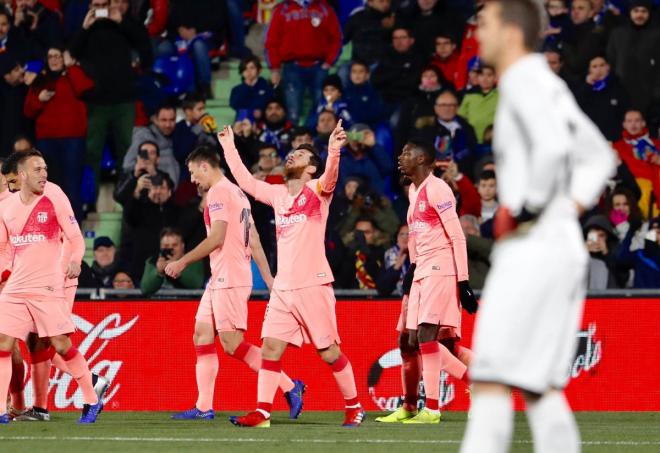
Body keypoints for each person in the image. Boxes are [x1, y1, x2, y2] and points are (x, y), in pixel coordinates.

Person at [460, 1, 615, 451]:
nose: (477, 33)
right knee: (536, 385)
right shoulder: (547, 83)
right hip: (556, 242)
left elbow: (549, 149)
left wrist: (525, 209)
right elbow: (598, 155)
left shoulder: (525, 80)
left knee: (489, 375)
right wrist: (566, 209)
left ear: (510, 31)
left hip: (532, 246)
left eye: (484, 23)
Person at [220, 120, 365, 428]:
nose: (291, 156)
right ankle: (262, 412)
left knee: (328, 352)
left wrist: (333, 151)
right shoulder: (277, 195)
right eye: (292, 153)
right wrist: (228, 147)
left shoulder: (316, 191)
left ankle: (354, 406)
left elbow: (330, 179)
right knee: (271, 348)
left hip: (313, 284)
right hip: (283, 288)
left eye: (299, 156)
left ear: (311, 168)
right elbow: (245, 181)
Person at [164, 144, 305, 421]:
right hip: (221, 277)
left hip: (229, 277)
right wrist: (268, 278)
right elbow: (253, 238)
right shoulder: (237, 193)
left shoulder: (218, 193)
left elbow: (217, 238)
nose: (192, 180)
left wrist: (182, 261)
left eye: (194, 173)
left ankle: (290, 386)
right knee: (201, 334)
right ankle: (204, 407)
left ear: (205, 167)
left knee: (232, 344)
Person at [0, 150, 105, 424]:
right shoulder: (6, 207)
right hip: (16, 287)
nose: (44, 173)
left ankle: (92, 398)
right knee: (3, 342)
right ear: (21, 175)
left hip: (48, 285)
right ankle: (2, 409)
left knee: (59, 344)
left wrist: (75, 260)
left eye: (45, 168)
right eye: (37, 169)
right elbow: (3, 247)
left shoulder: (54, 195)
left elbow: (75, 237)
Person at [389, 139, 477, 424]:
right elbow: (416, 236)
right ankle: (472, 384)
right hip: (422, 270)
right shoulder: (415, 191)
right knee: (412, 339)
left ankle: (433, 409)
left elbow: (457, 235)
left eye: (406, 153)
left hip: (441, 267)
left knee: (427, 336)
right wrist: (412, 270)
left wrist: (463, 282)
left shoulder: (438, 189)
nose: (401, 157)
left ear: (422, 159)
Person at [69, 0, 152, 187]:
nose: (100, 9)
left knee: (128, 151)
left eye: (103, 4)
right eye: (96, 5)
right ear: (90, 6)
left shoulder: (125, 23)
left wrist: (121, 21)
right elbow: (71, 53)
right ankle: (88, 202)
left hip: (124, 100)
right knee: (91, 153)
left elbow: (144, 46)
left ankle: (129, 198)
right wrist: (84, 28)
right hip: (95, 102)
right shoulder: (86, 28)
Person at [23, 47, 94, 219]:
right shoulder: (40, 81)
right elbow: (28, 111)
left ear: (64, 58)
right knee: (48, 186)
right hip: (47, 141)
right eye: (50, 56)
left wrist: (71, 67)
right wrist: (40, 100)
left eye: (58, 56)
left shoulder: (73, 75)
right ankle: (51, 229)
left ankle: (73, 229)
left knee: (72, 186)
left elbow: (86, 88)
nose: (54, 59)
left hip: (73, 140)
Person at [264, 0, 342, 124]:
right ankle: (293, 139)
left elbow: (337, 38)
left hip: (319, 66)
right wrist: (275, 68)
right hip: (291, 67)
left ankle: (317, 140)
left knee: (322, 110)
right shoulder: (282, 10)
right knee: (292, 111)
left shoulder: (325, 9)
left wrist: (329, 62)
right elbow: (272, 41)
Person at [606, 0, 660, 118]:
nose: (639, 15)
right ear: (630, 13)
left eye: (643, 11)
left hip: (650, 96)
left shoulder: (657, 34)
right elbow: (611, 61)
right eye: (636, 11)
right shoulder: (618, 33)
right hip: (621, 92)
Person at [613, 110, 659, 218]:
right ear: (624, 125)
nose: (633, 124)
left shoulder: (656, 144)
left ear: (643, 123)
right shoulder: (616, 147)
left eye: (637, 121)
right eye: (629, 121)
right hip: (631, 189)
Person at [122, 103, 181, 187]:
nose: (168, 125)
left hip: (169, 190)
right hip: (148, 190)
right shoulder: (143, 136)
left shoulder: (176, 134)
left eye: (172, 120)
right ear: (155, 120)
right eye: (163, 120)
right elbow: (127, 165)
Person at [574, 55, 629, 141]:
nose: (599, 69)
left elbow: (625, 112)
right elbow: (576, 107)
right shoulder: (582, 86)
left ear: (608, 67)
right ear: (589, 70)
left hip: (614, 139)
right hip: (591, 138)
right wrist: (587, 86)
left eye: (602, 65)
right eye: (594, 66)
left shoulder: (618, 86)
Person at [141, 228, 205, 296]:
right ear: (160, 246)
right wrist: (158, 272)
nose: (170, 249)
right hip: (158, 304)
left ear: (182, 246)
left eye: (174, 245)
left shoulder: (193, 259)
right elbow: (145, 289)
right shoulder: (152, 261)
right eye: (166, 246)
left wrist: (178, 268)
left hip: (184, 304)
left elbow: (197, 284)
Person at [343, 0, 395, 67]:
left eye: (388, 1)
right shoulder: (357, 17)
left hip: (383, 63)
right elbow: (343, 38)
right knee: (343, 71)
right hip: (358, 63)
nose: (386, 4)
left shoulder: (393, 19)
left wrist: (392, 27)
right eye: (381, 1)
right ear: (370, 2)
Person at [458, 64, 498, 144]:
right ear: (478, 78)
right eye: (481, 75)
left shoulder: (502, 95)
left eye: (489, 75)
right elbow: (460, 116)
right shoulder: (469, 96)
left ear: (495, 78)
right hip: (472, 142)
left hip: (495, 140)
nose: (485, 78)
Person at [583, 215, 623, 289]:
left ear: (607, 237)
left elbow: (622, 278)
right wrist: (583, 253)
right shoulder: (578, 252)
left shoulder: (615, 251)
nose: (597, 239)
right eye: (593, 236)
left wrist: (606, 253)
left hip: (608, 297)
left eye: (601, 235)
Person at [229, 55, 274, 122]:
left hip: (263, 121)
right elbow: (234, 104)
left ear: (259, 70)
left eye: (252, 68)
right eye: (245, 69)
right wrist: (246, 86)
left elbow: (270, 103)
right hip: (243, 121)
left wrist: (262, 111)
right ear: (241, 73)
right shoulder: (236, 89)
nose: (248, 71)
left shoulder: (267, 87)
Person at [375, 224, 411, 296]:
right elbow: (383, 288)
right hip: (394, 302)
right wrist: (396, 267)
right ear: (397, 238)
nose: (405, 238)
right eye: (401, 234)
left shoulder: (423, 255)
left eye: (408, 234)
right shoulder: (388, 254)